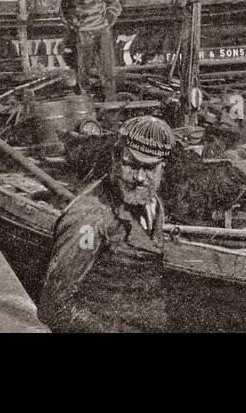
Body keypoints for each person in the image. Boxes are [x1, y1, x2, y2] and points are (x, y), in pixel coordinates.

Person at [38, 115, 174, 333]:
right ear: (115, 157)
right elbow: (54, 306)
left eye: (149, 169)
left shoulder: (153, 204)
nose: (139, 177)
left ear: (161, 169)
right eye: (131, 165)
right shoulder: (89, 217)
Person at [59, 0, 122, 101]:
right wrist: (75, 24)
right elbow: (64, 9)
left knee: (107, 69)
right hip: (84, 33)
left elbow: (115, 4)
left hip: (102, 31)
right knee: (83, 69)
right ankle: (85, 100)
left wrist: (107, 21)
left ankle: (110, 101)